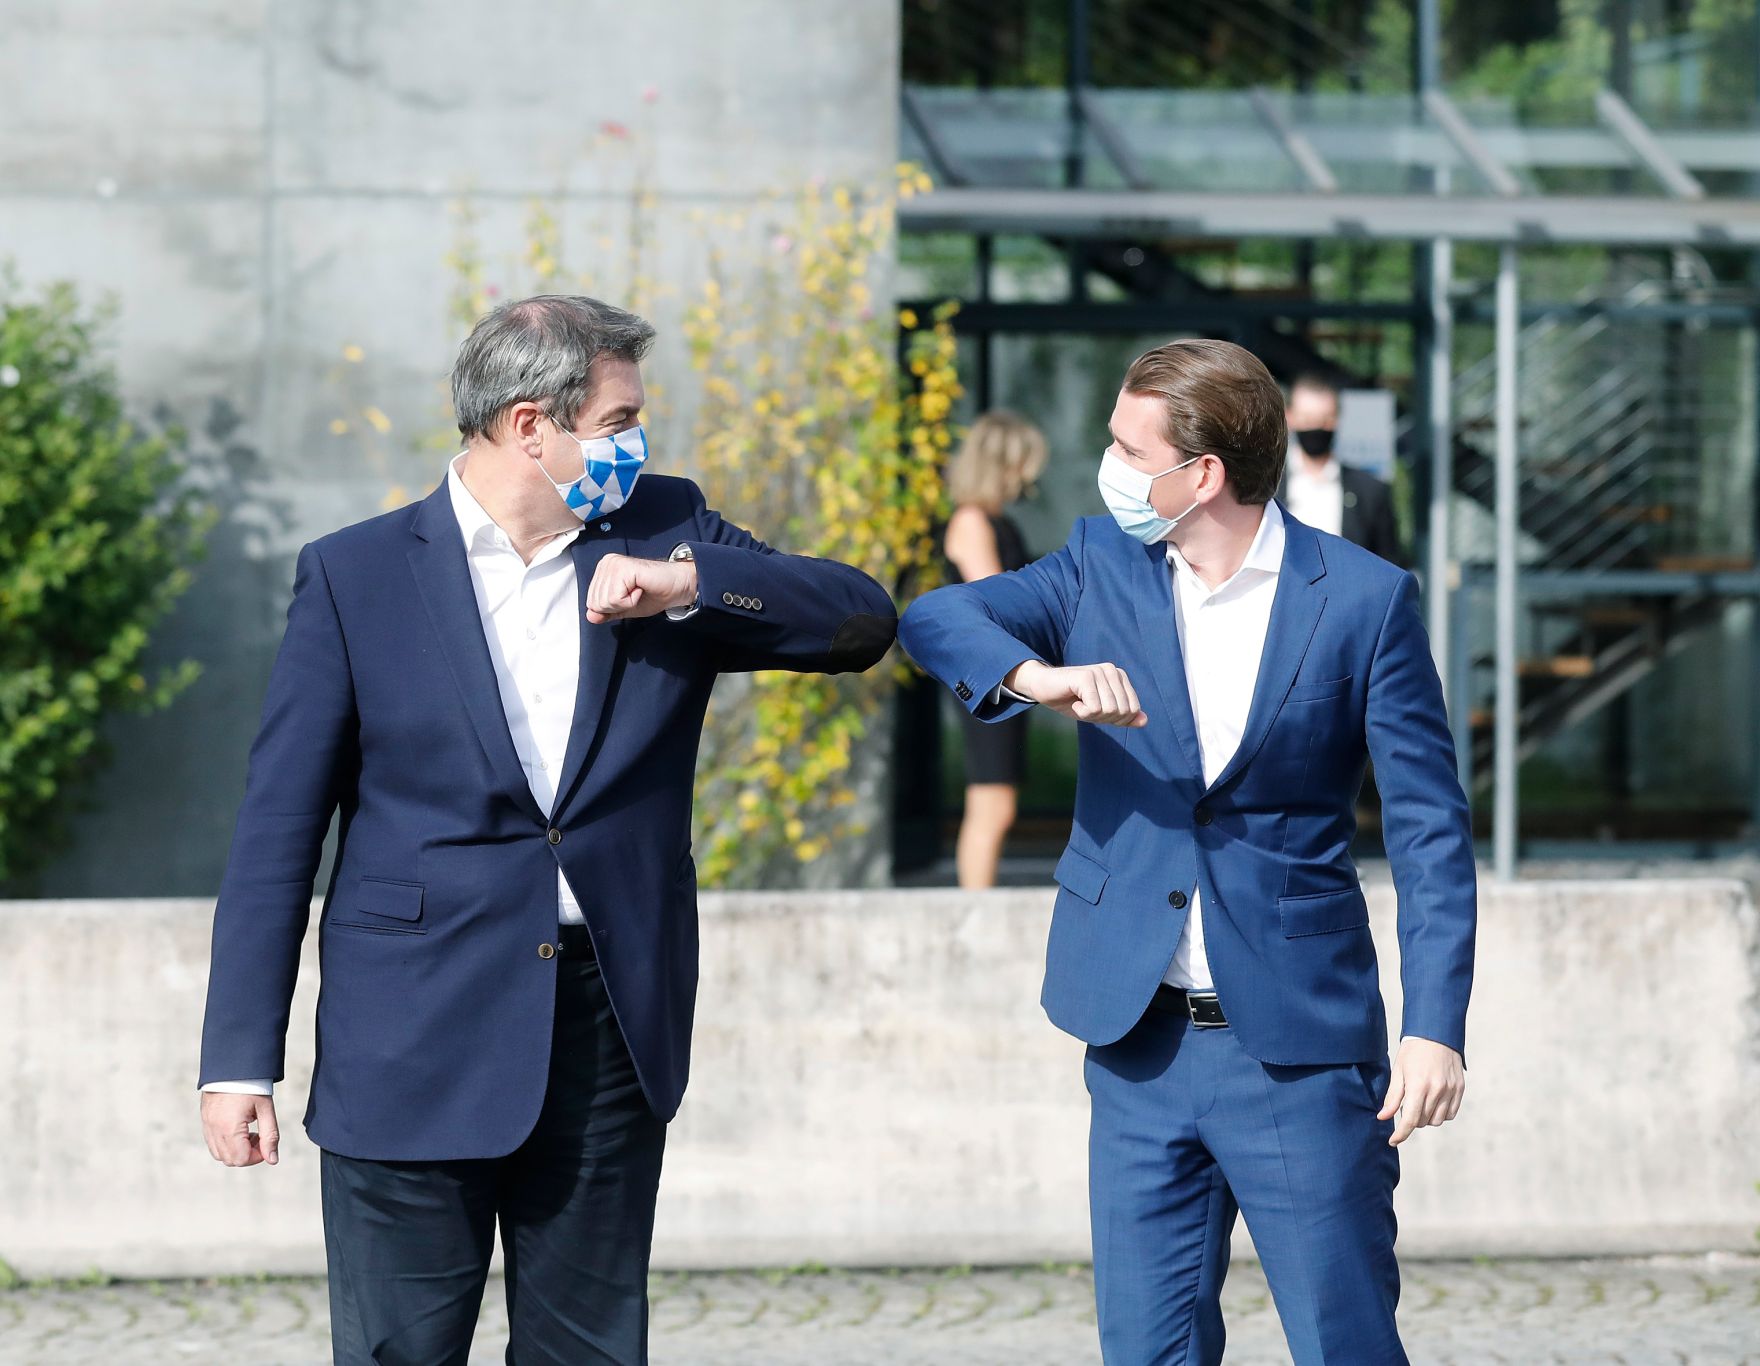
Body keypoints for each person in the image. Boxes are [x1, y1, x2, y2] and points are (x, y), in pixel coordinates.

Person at [196, 294, 897, 1365]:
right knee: (399, 1350)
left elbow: (859, 619)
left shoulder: (666, 527)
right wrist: (238, 1058)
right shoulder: (356, 574)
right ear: (532, 425)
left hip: (607, 1020)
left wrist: (684, 584)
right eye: (618, 419)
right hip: (410, 1031)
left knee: (589, 1352)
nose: (636, 440)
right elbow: (277, 830)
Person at [899, 338, 1475, 1364]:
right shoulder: (1096, 564)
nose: (1106, 467)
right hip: (1136, 1043)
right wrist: (1040, 679)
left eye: (1127, 447)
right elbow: (937, 616)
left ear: (1200, 472)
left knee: (1344, 1342)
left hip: (1299, 1053)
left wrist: (1435, 1027)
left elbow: (1429, 831)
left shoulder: (1360, 598)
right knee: (1145, 1349)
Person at [941, 411, 1047, 888]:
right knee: (993, 803)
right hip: (988, 676)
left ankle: (977, 904)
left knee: (996, 801)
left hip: (1002, 671)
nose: (1027, 476)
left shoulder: (998, 521)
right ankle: (975, 910)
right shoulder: (971, 521)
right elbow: (992, 598)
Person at [1281, 372, 1405, 566]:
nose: (1315, 428)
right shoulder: (1267, 488)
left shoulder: (1371, 492)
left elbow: (1389, 563)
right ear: (1290, 417)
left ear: (1338, 418)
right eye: (1307, 419)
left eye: (1324, 420)